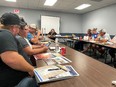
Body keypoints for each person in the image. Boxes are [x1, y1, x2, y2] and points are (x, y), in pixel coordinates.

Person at [0, 13, 36, 87]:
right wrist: (32, 69)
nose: (19, 30)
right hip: (19, 82)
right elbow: (12, 59)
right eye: (19, 28)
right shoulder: (5, 34)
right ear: (14, 28)